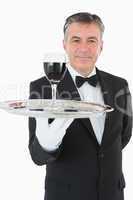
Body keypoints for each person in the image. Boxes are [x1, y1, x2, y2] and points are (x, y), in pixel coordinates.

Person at [28, 12, 132, 200]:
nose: (84, 48)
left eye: (91, 40)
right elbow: (38, 157)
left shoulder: (120, 85)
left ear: (101, 46)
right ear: (64, 45)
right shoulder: (42, 87)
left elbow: (123, 136)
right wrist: (48, 143)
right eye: (76, 40)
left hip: (113, 193)